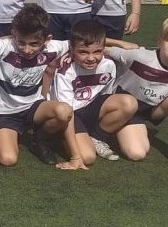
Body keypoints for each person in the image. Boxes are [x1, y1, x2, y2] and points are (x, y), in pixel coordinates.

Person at [0, 4, 85, 170]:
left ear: (47, 39)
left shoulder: (53, 47)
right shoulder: (4, 47)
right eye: (22, 42)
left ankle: (39, 140)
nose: (27, 50)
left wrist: (121, 45)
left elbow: (86, 43)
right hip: (5, 112)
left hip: (34, 107)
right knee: (8, 159)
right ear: (14, 35)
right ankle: (1, 132)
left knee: (64, 111)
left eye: (34, 44)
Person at [108, 14, 168, 171]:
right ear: (159, 42)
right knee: (136, 153)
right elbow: (104, 50)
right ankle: (109, 129)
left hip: (152, 110)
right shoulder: (140, 56)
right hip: (124, 107)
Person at [49, 20, 138, 165]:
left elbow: (106, 96)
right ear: (72, 49)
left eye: (97, 52)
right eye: (83, 52)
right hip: (70, 115)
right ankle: (61, 138)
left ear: (103, 49)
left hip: (90, 109)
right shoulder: (65, 71)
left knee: (129, 102)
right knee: (87, 157)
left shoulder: (108, 65)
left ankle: (97, 137)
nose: (91, 58)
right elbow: (67, 113)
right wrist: (75, 157)